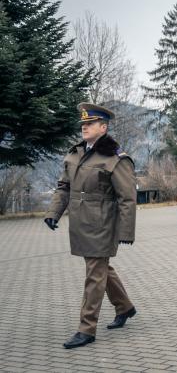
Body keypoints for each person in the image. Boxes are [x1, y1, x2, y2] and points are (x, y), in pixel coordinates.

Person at [44, 103, 137, 349]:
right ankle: (125, 307)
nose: (84, 127)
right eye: (83, 124)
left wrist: (126, 231)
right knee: (101, 269)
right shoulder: (75, 153)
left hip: (103, 224)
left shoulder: (115, 157)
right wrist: (54, 213)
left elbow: (127, 198)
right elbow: (64, 187)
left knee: (94, 275)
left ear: (103, 127)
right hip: (80, 223)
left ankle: (86, 328)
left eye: (90, 124)